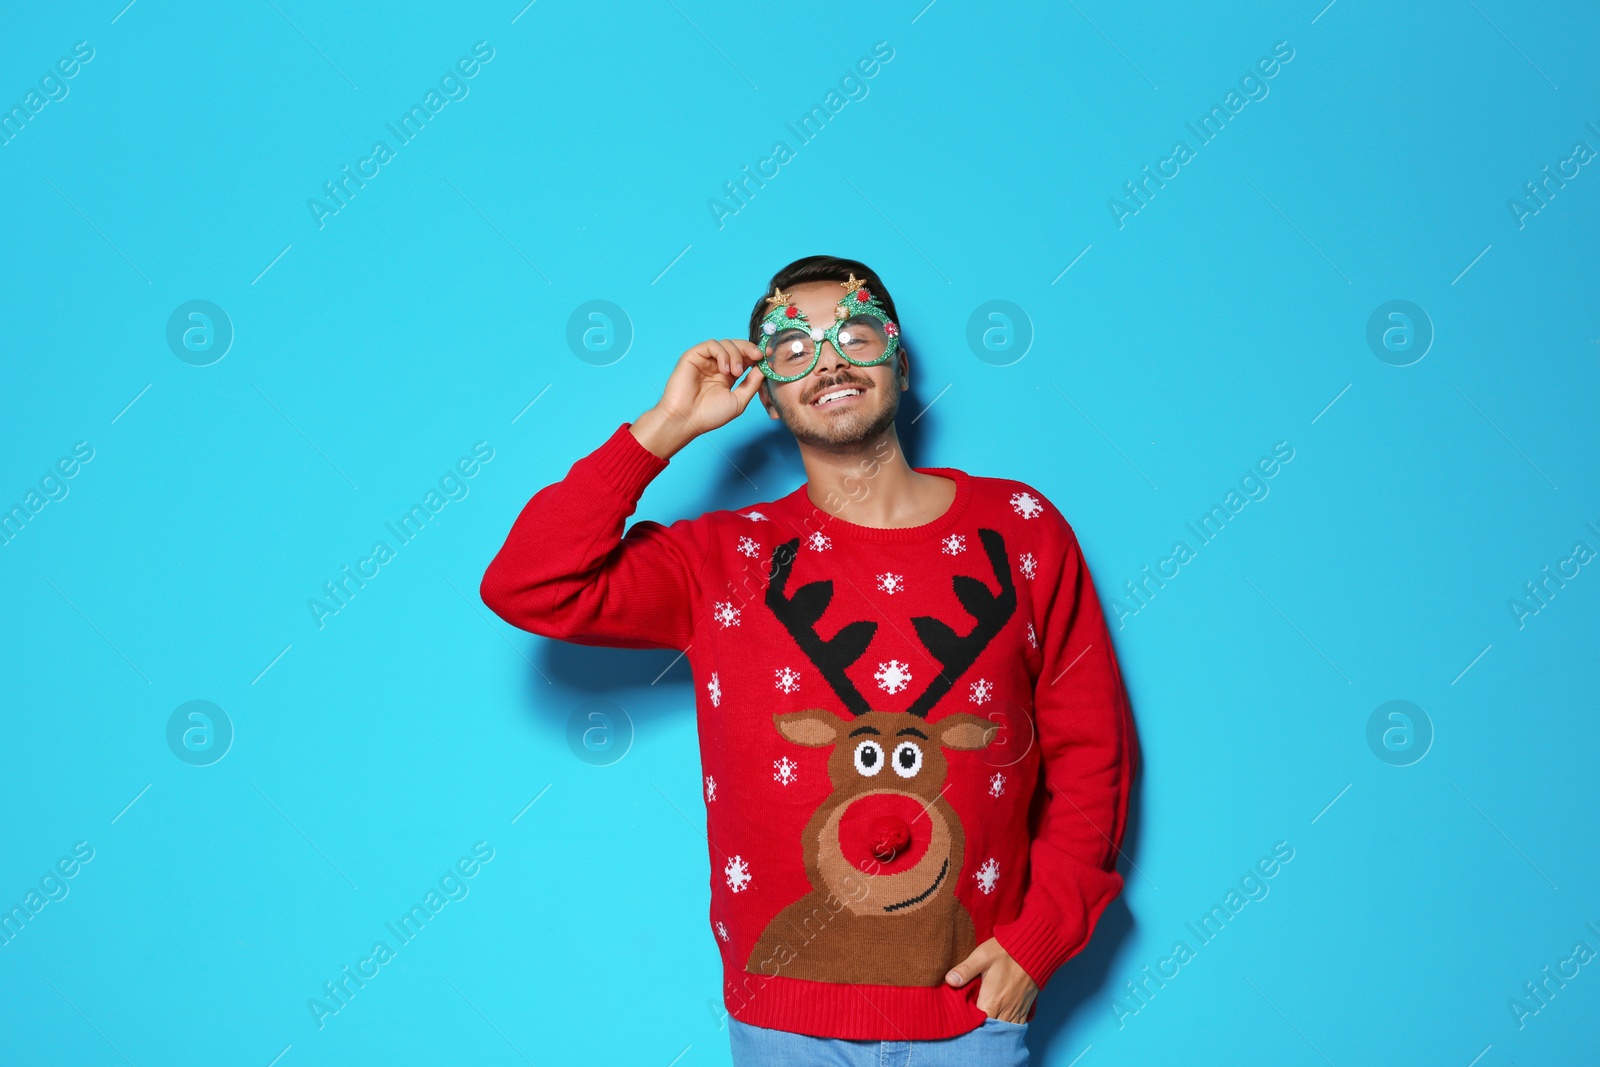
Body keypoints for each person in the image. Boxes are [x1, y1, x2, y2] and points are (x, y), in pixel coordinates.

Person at [480, 255, 1138, 1066]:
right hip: (783, 1020)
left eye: (854, 334)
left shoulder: (1022, 530)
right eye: (792, 349)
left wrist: (1037, 946)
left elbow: (1093, 752)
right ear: (763, 390)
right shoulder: (721, 558)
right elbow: (529, 583)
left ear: (898, 360)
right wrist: (663, 428)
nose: (827, 360)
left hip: (972, 1015)